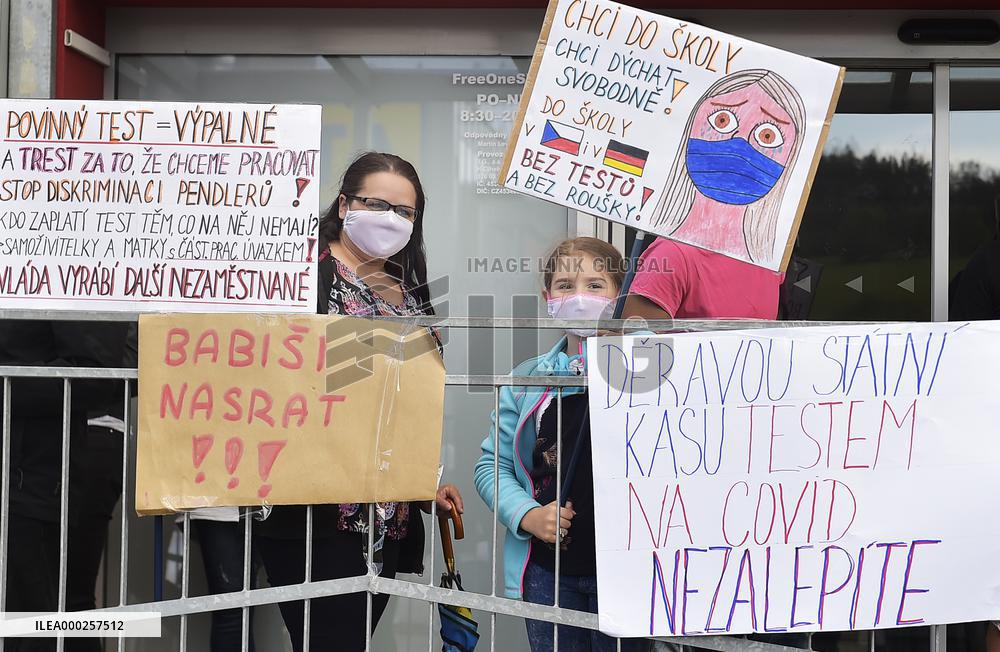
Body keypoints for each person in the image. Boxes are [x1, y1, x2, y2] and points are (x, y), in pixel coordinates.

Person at [254, 151, 463, 652]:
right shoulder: (304, 276)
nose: (392, 218)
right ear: (345, 204)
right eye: (377, 203)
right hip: (315, 505)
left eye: (405, 211)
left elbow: (405, 404)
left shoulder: (408, 290)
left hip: (387, 514)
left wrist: (422, 481)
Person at [474, 237, 649, 652]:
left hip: (629, 574)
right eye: (566, 285)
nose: (580, 297)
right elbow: (491, 468)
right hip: (548, 575)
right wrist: (528, 515)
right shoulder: (527, 379)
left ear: (619, 295)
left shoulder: (649, 374)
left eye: (595, 285)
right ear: (547, 296)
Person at [0, 319, 129, 652]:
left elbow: (97, 371)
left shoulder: (71, 279)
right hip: (28, 474)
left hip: (32, 480)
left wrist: (9, 381)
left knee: (53, 611)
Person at [649, 69, 806, 266]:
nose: (738, 141)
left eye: (767, 136)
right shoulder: (669, 255)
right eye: (722, 120)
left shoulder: (666, 256)